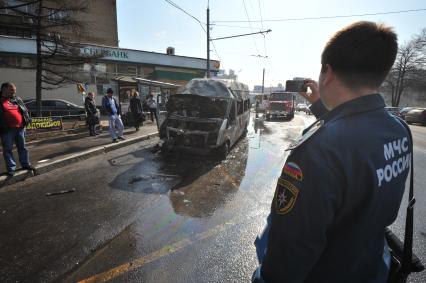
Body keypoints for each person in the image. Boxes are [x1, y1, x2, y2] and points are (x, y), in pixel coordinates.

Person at [253, 21, 411, 283]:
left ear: (327, 72)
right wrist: (319, 105)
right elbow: (355, 135)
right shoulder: (398, 129)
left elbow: (290, 254)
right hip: (371, 267)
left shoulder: (317, 151)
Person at [0, 82, 34, 176]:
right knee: (8, 149)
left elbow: (25, 111)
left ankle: (26, 164)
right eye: (11, 90)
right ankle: (11, 168)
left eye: (14, 90)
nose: (13, 92)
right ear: (4, 89)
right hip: (6, 129)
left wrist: (27, 122)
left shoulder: (17, 99)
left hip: (20, 128)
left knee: (22, 147)